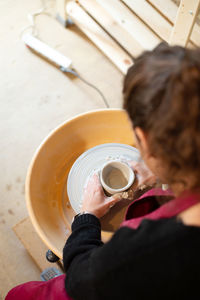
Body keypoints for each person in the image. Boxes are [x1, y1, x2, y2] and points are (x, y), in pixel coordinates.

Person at [6, 42, 200, 299]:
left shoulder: (151, 250)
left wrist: (87, 218)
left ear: (143, 139)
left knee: (19, 294)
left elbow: (84, 280)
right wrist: (164, 170)